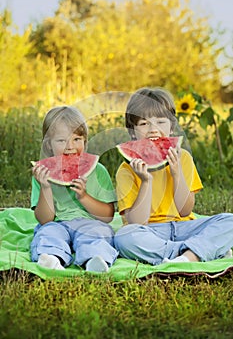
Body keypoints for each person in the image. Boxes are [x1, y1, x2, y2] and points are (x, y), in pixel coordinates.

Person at [114, 87, 233, 265]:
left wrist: (176, 172)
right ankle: (194, 252)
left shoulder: (183, 158)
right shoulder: (126, 170)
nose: (153, 130)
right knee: (124, 237)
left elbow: (185, 210)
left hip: (185, 226)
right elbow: (138, 222)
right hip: (149, 232)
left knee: (229, 221)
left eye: (161, 122)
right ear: (132, 132)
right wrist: (146, 181)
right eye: (144, 124)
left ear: (172, 128)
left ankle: (186, 254)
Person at [30, 106, 118, 272]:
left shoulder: (98, 171)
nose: (70, 146)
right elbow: (45, 219)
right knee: (47, 234)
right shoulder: (43, 174)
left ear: (85, 140)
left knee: (99, 234)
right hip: (56, 223)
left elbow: (107, 216)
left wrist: (84, 196)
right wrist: (46, 187)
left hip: (91, 223)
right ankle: (51, 259)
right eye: (62, 141)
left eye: (76, 139)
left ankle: (94, 261)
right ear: (49, 145)